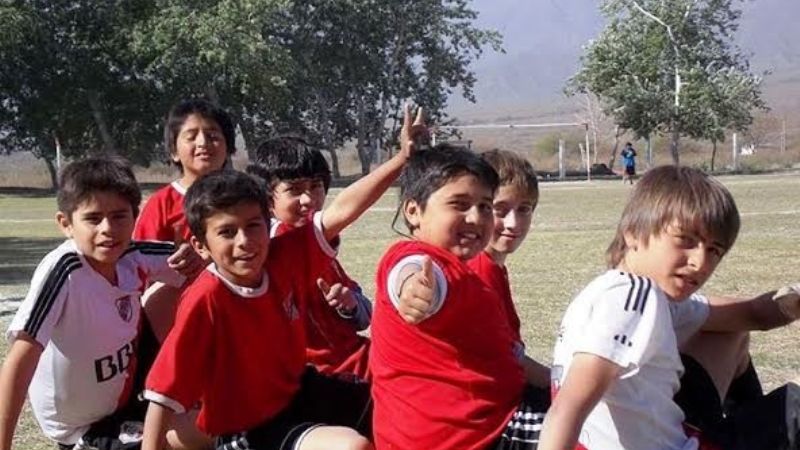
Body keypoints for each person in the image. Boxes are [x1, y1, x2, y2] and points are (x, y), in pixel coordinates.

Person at [142, 106, 425, 450]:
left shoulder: (283, 255)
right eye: (227, 232)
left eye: (253, 226)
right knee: (351, 447)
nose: (245, 241)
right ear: (201, 246)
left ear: (268, 222)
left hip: (300, 390)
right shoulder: (206, 298)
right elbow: (163, 393)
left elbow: (341, 211)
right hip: (251, 425)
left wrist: (401, 158)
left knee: (404, 406)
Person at [538, 165, 800, 450]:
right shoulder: (631, 297)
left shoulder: (633, 293)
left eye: (714, 250)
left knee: (732, 334)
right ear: (633, 233)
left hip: (678, 434)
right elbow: (567, 409)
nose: (700, 262)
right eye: (686, 240)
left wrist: (793, 299)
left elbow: (751, 314)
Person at [0, 158, 202, 450]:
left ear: (135, 217)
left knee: (225, 419)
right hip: (84, 427)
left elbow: (207, 269)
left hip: (130, 396)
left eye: (120, 216)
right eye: (93, 218)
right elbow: (20, 359)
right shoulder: (64, 271)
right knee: (196, 435)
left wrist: (195, 257)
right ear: (66, 224)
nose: (108, 228)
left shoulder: (136, 253)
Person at [370, 144, 547, 450]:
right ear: (413, 211)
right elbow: (409, 272)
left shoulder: (468, 273)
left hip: (492, 420)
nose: (476, 217)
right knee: (595, 429)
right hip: (473, 438)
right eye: (459, 204)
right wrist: (413, 291)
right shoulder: (417, 256)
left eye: (484, 206)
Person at [397, 149, 550, 391]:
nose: (513, 223)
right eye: (500, 209)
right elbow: (405, 269)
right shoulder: (477, 270)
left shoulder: (493, 267)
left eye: (525, 209)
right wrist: (560, 386)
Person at [246, 137, 372, 379]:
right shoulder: (269, 249)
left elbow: (363, 317)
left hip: (358, 361)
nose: (309, 200)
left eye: (315, 186)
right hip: (319, 378)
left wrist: (350, 304)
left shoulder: (321, 249)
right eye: (294, 189)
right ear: (267, 200)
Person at [133, 98, 234, 341]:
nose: (203, 143)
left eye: (212, 135)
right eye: (191, 136)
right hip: (178, 326)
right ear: (173, 151)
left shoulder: (246, 197)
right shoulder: (162, 204)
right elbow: (139, 269)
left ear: (228, 146)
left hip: (237, 313)